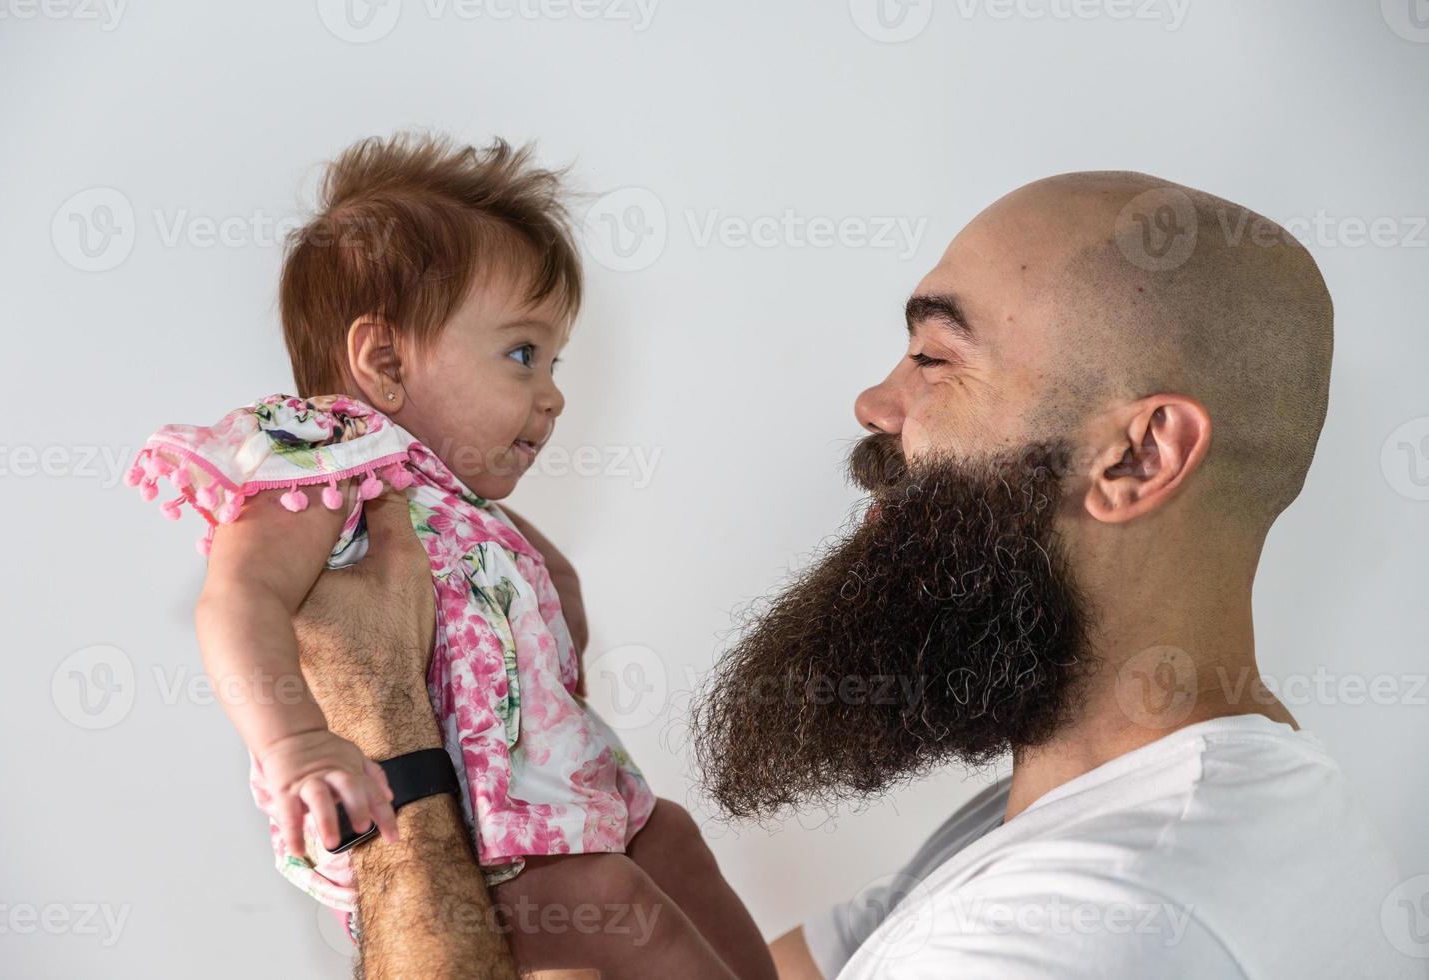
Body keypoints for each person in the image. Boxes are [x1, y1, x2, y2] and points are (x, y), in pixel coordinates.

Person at [303, 171, 1419, 979]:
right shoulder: (1092, 810)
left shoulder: (1096, 925)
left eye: (937, 357)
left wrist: (392, 734)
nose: (877, 404)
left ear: (1135, 456)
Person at [126, 132, 773, 980]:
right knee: (615, 904)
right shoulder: (327, 463)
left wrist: (554, 588)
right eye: (521, 353)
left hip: (534, 796)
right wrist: (293, 744)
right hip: (456, 835)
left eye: (554, 359)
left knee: (670, 835)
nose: (554, 394)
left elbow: (510, 575)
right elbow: (237, 598)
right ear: (384, 363)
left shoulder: (450, 500)